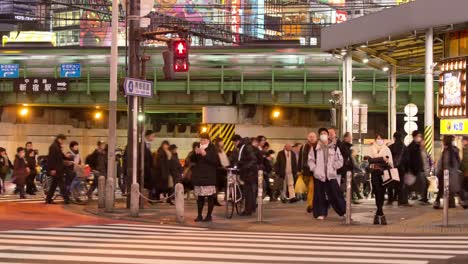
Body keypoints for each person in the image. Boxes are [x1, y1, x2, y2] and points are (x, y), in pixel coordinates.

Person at [308, 128, 345, 220]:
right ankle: (321, 213)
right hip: (319, 176)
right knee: (319, 195)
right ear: (319, 136)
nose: (323, 135)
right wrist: (315, 170)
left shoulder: (334, 147)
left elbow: (340, 160)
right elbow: (310, 160)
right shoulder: (315, 148)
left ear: (328, 135)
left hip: (331, 175)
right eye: (321, 133)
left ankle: (343, 211)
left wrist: (334, 167)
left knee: (336, 195)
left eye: (325, 133)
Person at [365, 133, 393, 225]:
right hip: (374, 174)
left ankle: (378, 214)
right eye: (377, 138)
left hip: (384, 174)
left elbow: (389, 162)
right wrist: (381, 159)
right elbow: (368, 160)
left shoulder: (386, 149)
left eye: (380, 138)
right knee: (377, 192)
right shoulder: (371, 148)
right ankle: (381, 214)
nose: (379, 140)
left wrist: (375, 160)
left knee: (381, 192)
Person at [190, 133, 219, 222]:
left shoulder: (212, 148)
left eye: (204, 140)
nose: (202, 142)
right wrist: (195, 153)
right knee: (200, 197)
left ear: (208, 140)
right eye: (201, 140)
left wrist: (205, 154)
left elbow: (215, 162)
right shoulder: (198, 147)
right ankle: (199, 215)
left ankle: (209, 215)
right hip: (199, 176)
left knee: (210, 197)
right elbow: (192, 160)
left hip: (209, 176)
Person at [434, 135, 468, 209]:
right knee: (456, 188)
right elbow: (457, 162)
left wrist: (439, 171)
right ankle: (463, 203)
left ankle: (438, 203)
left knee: (447, 188)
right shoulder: (453, 150)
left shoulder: (448, 151)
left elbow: (445, 163)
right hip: (452, 173)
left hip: (448, 173)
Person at [401, 131, 427, 204]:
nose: (420, 138)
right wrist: (410, 169)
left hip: (417, 169)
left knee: (422, 184)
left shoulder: (417, 146)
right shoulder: (412, 147)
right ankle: (404, 200)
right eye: (418, 136)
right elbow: (410, 159)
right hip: (414, 169)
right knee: (409, 185)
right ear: (414, 137)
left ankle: (423, 198)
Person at [236, 137, 258, 216]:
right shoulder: (248, 147)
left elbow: (253, 159)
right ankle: (251, 208)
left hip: (249, 173)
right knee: (250, 192)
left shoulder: (245, 147)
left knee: (248, 192)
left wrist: (245, 167)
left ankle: (248, 210)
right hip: (251, 173)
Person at [46, 134, 69, 204]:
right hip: (56, 169)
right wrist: (52, 169)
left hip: (58, 169)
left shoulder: (57, 146)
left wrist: (67, 157)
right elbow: (51, 159)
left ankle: (48, 199)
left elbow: (61, 156)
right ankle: (66, 198)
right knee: (61, 184)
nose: (63, 142)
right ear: (59, 139)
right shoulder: (53, 147)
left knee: (54, 184)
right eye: (62, 140)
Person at [298, 132, 317, 213]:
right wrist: (299, 170)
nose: (312, 138)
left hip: (315, 171)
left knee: (312, 189)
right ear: (307, 138)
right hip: (306, 172)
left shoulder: (318, 146)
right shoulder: (303, 147)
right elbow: (300, 159)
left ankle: (311, 205)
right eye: (310, 136)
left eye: (313, 136)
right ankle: (311, 204)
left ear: (316, 138)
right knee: (309, 190)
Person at [388, 132, 408, 206]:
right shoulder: (404, 147)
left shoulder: (390, 147)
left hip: (392, 168)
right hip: (401, 168)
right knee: (400, 184)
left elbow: (387, 158)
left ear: (394, 138)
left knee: (390, 183)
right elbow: (407, 159)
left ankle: (390, 199)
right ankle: (400, 200)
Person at [214, 138, 230, 206]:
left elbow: (225, 160)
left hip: (224, 170)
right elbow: (217, 162)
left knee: (225, 185)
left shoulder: (222, 150)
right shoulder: (215, 151)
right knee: (217, 186)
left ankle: (226, 198)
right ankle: (215, 200)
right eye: (221, 142)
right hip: (218, 171)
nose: (222, 143)